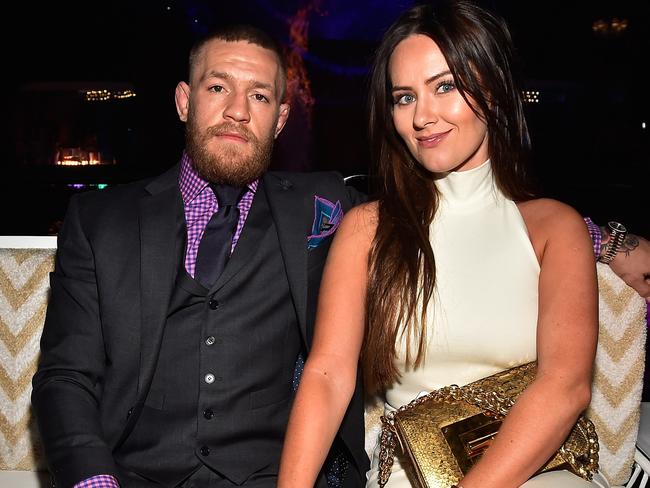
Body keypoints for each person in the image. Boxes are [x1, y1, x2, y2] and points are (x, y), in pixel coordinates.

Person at [277, 1, 614, 487]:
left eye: (445, 87)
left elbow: (564, 387)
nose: (423, 116)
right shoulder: (367, 228)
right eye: (404, 97)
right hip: (409, 473)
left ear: (494, 91)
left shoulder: (554, 228)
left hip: (538, 471)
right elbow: (327, 376)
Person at [31, 25, 369, 488]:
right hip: (129, 477)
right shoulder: (99, 220)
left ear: (281, 118)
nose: (237, 111)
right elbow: (66, 376)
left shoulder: (322, 204)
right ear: (184, 102)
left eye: (260, 97)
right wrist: (95, 480)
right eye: (218, 87)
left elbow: (422, 204)